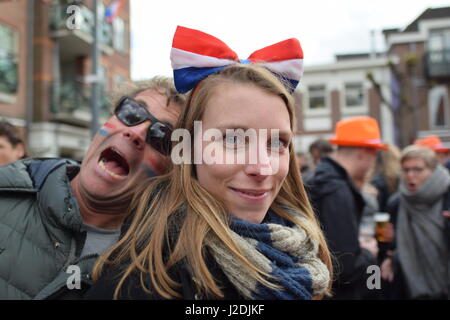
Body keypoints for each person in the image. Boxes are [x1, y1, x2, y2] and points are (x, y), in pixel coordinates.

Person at [85, 26, 332, 300]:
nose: (262, 168)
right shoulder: (144, 280)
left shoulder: (302, 253)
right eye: (233, 140)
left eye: (276, 143)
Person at [0, 77, 185, 299]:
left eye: (162, 136)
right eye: (132, 113)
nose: (136, 133)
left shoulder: (157, 273)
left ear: (172, 172)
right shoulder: (6, 190)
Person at [305, 116, 387, 299]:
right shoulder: (336, 189)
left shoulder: (320, 178)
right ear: (363, 152)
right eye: (374, 155)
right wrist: (368, 252)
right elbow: (345, 265)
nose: (372, 165)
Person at [380, 145, 450, 299]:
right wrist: (388, 250)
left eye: (418, 170)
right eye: (405, 170)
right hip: (411, 288)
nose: (410, 175)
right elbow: (387, 245)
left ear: (433, 171)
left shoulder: (447, 197)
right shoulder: (396, 203)